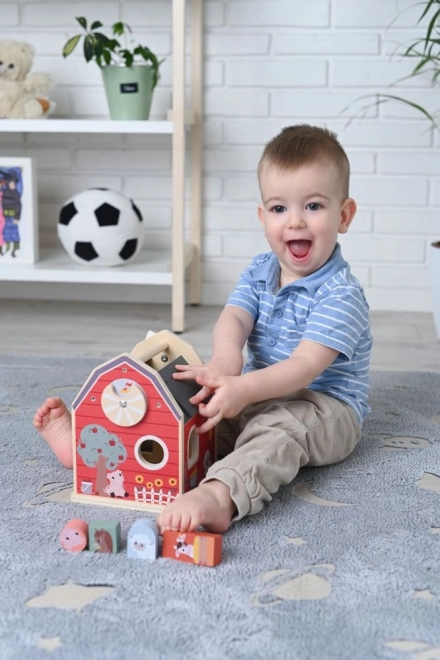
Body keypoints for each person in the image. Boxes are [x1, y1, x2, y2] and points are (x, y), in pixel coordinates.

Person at [34, 124, 372, 536]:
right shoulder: (260, 270)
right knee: (199, 413)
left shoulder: (340, 294)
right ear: (263, 216)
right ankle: (96, 450)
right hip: (258, 389)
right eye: (280, 209)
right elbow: (233, 320)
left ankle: (220, 495)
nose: (295, 221)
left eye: (314, 206)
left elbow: (304, 367)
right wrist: (224, 366)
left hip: (324, 407)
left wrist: (244, 389)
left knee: (277, 434)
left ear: (344, 215)